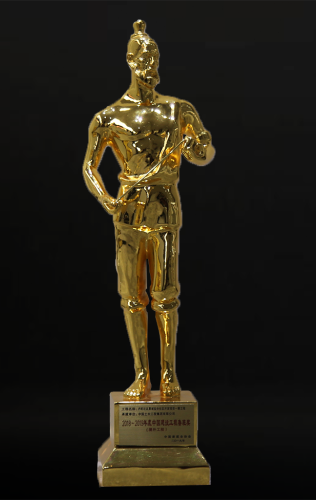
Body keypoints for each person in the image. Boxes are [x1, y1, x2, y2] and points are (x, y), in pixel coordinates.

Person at [82, 20, 215, 399]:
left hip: (164, 210)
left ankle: (169, 375)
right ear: (129, 61)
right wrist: (107, 200)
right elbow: (89, 166)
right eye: (143, 58)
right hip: (127, 214)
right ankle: (142, 375)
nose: (150, 64)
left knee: (166, 295)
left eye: (154, 57)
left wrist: (198, 148)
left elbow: (204, 153)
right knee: (131, 297)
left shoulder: (178, 110)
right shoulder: (109, 117)